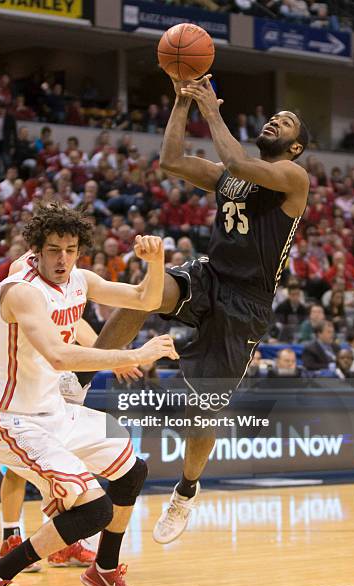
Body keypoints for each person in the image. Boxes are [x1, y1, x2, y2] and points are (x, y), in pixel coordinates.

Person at [76, 74, 310, 545]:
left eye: (285, 122)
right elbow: (171, 159)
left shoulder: (293, 178)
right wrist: (182, 102)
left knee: (204, 412)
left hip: (247, 303)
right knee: (145, 292)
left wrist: (210, 107)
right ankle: (78, 379)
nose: (275, 121)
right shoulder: (232, 175)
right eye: (273, 116)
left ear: (296, 148)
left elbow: (237, 161)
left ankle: (185, 490)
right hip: (210, 275)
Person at [0, 203, 178, 586]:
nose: (62, 258)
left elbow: (144, 299)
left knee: (132, 470)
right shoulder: (21, 290)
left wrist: (156, 261)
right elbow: (60, 356)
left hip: (54, 412)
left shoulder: (79, 278)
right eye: (52, 249)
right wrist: (131, 355)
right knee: (95, 509)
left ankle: (104, 570)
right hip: (10, 420)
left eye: (70, 249)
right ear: (36, 250)